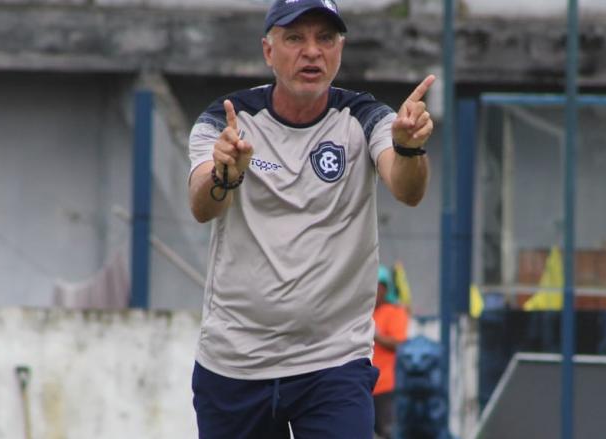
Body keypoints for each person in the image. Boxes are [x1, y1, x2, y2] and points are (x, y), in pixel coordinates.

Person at [186, 0, 435, 437]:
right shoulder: (228, 121)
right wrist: (225, 173)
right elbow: (202, 205)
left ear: (340, 49)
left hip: (333, 363)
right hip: (235, 361)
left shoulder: (365, 117)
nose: (312, 51)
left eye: (325, 38)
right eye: (295, 38)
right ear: (268, 50)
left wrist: (410, 147)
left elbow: (407, 188)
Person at [372, 266, 409, 439]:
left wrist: (375, 335)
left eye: (377, 286)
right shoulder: (363, 313)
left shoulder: (394, 312)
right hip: (363, 387)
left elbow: (399, 343)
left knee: (388, 433)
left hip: (386, 387)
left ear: (385, 288)